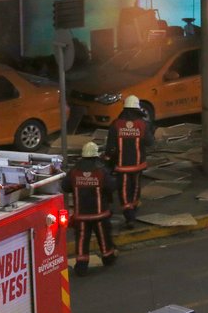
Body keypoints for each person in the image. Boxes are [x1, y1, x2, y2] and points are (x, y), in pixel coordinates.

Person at [62, 142, 118, 277]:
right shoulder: (101, 171)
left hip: (81, 215)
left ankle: (81, 266)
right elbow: (112, 187)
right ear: (95, 155)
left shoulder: (74, 171)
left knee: (81, 239)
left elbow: (65, 186)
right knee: (103, 237)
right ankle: (108, 258)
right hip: (99, 214)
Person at [105, 95, 154, 229]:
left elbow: (110, 147)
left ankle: (129, 215)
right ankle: (133, 209)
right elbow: (150, 142)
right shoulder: (142, 124)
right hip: (138, 165)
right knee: (136, 187)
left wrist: (108, 160)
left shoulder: (116, 124)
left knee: (124, 190)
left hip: (122, 166)